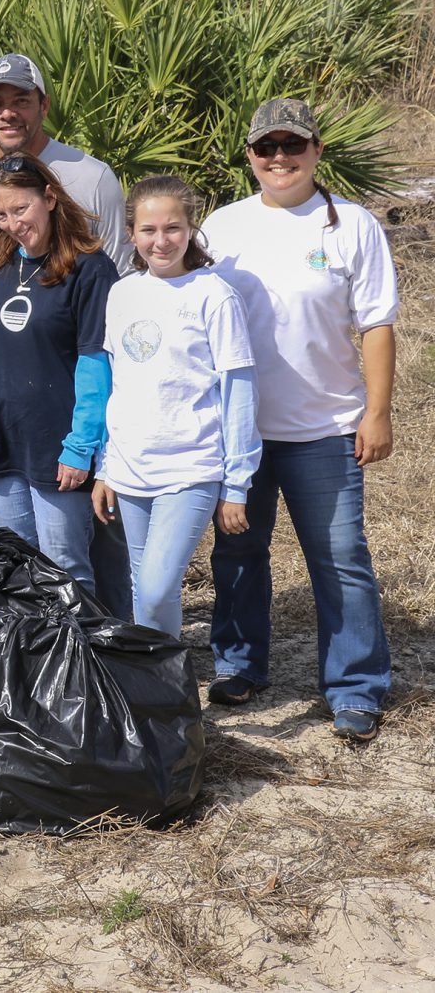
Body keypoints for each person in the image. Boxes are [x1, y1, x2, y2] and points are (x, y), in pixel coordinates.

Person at [200, 98, 398, 742]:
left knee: (339, 556)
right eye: (266, 148)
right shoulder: (221, 228)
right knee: (236, 551)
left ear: (317, 151)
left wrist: (377, 412)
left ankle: (355, 687)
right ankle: (238, 664)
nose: (279, 158)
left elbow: (376, 325)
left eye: (293, 145)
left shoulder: (352, 225)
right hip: (241, 433)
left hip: (327, 428)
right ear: (250, 157)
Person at [0, 52, 132, 615]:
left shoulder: (91, 180)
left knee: (79, 561)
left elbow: (113, 326)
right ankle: (30, 673)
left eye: (21, 100)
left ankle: (110, 661)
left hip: (67, 424)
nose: (13, 221)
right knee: (11, 566)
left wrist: (91, 440)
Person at [91, 176, 261, 636]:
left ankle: (163, 688)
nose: (160, 240)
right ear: (131, 233)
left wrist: (237, 483)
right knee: (142, 586)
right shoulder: (122, 293)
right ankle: (159, 694)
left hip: (191, 466)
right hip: (130, 469)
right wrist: (106, 467)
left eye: (172, 228)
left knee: (154, 588)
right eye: (148, 230)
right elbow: (118, 387)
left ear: (191, 229)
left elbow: (239, 392)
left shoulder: (214, 295)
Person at [0, 152, 116, 595]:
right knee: (11, 570)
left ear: (50, 198)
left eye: (21, 209)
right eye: (1, 214)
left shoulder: (90, 269)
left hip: (56, 444)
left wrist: (81, 446)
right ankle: (24, 663)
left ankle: (79, 661)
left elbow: (97, 364)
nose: (12, 223)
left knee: (65, 570)